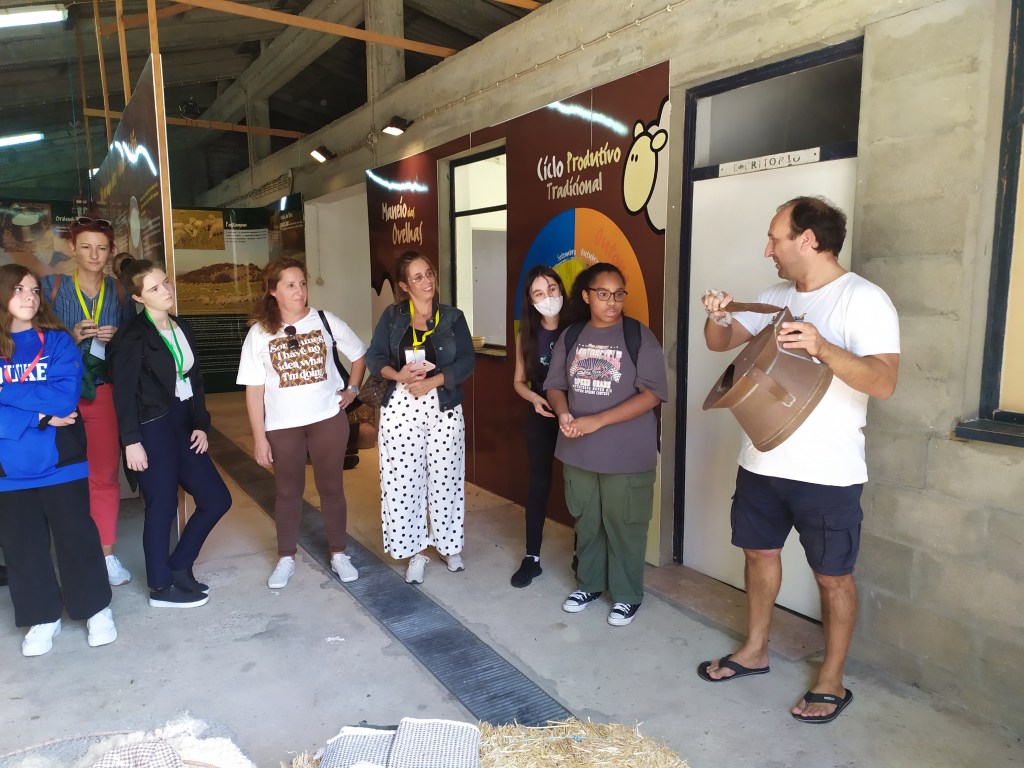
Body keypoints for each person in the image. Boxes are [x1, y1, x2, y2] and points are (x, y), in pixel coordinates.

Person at [696, 196, 900, 724]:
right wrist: (718, 316)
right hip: (762, 461)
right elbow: (721, 342)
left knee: (833, 577)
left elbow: (884, 382)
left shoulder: (864, 300)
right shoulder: (774, 296)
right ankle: (754, 649)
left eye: (775, 238)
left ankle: (832, 679)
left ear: (807, 239)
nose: (768, 250)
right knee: (758, 554)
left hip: (828, 473)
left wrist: (822, 347)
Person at [0, 264, 117, 655]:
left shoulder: (58, 342)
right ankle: (43, 616)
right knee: (22, 546)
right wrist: (38, 416)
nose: (29, 297)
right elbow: (48, 405)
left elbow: (64, 399)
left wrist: (7, 398)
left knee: (77, 537)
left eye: (34, 290)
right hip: (8, 469)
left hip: (62, 461)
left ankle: (95, 609)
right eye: (18, 289)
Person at [545, 262, 668, 626]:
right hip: (578, 451)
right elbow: (555, 385)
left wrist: (597, 420)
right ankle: (589, 584)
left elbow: (653, 394)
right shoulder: (571, 335)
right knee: (587, 522)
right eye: (603, 294)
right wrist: (563, 413)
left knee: (625, 525)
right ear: (586, 296)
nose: (612, 302)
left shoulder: (638, 336)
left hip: (626, 454)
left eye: (618, 294)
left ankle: (627, 595)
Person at [237, 257, 366, 589]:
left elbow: (358, 354)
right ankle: (286, 558)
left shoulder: (324, 320)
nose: (299, 291)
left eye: (302, 283)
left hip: (327, 419)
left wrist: (352, 390)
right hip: (282, 427)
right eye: (290, 285)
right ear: (273, 291)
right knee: (287, 492)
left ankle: (339, 553)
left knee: (331, 488)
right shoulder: (259, 333)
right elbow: (254, 390)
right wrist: (259, 438)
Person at [108, 260, 232, 608]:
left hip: (184, 424)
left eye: (165, 282)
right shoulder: (132, 336)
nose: (165, 290)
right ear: (138, 297)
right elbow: (123, 394)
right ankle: (160, 588)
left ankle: (178, 565)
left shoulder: (182, 327)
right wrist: (131, 441)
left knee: (216, 499)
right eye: (154, 288)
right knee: (161, 507)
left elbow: (196, 380)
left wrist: (201, 423)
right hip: (151, 428)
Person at [364, 251, 475, 585]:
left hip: (442, 405)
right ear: (404, 285)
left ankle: (448, 545)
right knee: (404, 481)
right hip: (401, 406)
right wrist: (398, 375)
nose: (427, 281)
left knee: (446, 477)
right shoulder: (392, 316)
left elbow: (467, 361)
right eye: (417, 277)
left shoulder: (452, 317)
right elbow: (374, 357)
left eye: (429, 273)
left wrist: (432, 381)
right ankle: (416, 551)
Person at [42, 216, 136, 587]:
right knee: (58, 476)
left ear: (110, 251)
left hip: (102, 392)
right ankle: (70, 554)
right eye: (86, 246)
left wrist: (118, 337)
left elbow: (133, 344)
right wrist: (69, 334)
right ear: (72, 248)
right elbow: (31, 339)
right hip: (58, 395)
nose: (94, 255)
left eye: (101, 248)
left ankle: (106, 555)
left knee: (104, 476)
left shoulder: (121, 292)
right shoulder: (51, 287)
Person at [510, 265, 569, 588]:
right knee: (539, 484)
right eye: (539, 293)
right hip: (541, 412)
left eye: (552, 289)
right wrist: (534, 399)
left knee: (578, 485)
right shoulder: (528, 334)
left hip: (576, 414)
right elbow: (518, 381)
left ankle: (582, 555)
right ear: (531, 301)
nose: (548, 297)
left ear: (561, 289)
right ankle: (532, 557)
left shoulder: (578, 327)